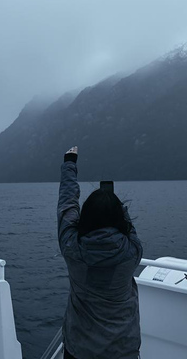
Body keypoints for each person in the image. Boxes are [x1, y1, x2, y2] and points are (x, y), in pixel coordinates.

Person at [57, 146, 143, 359]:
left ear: (85, 217)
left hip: (79, 349)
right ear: (119, 219)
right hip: (124, 349)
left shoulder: (71, 247)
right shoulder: (132, 251)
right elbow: (129, 228)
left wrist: (70, 163)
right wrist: (116, 207)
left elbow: (67, 204)